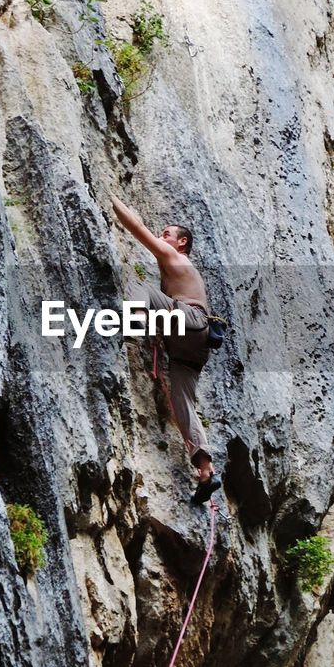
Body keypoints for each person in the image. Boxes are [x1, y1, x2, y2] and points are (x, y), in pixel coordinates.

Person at [110, 194, 221, 504]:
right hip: (192, 348)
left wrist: (112, 200)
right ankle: (206, 470)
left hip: (190, 320)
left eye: (168, 234)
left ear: (181, 243)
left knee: (140, 286)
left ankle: (138, 323)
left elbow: (137, 227)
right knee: (182, 402)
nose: (162, 238)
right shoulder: (178, 271)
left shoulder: (176, 259)